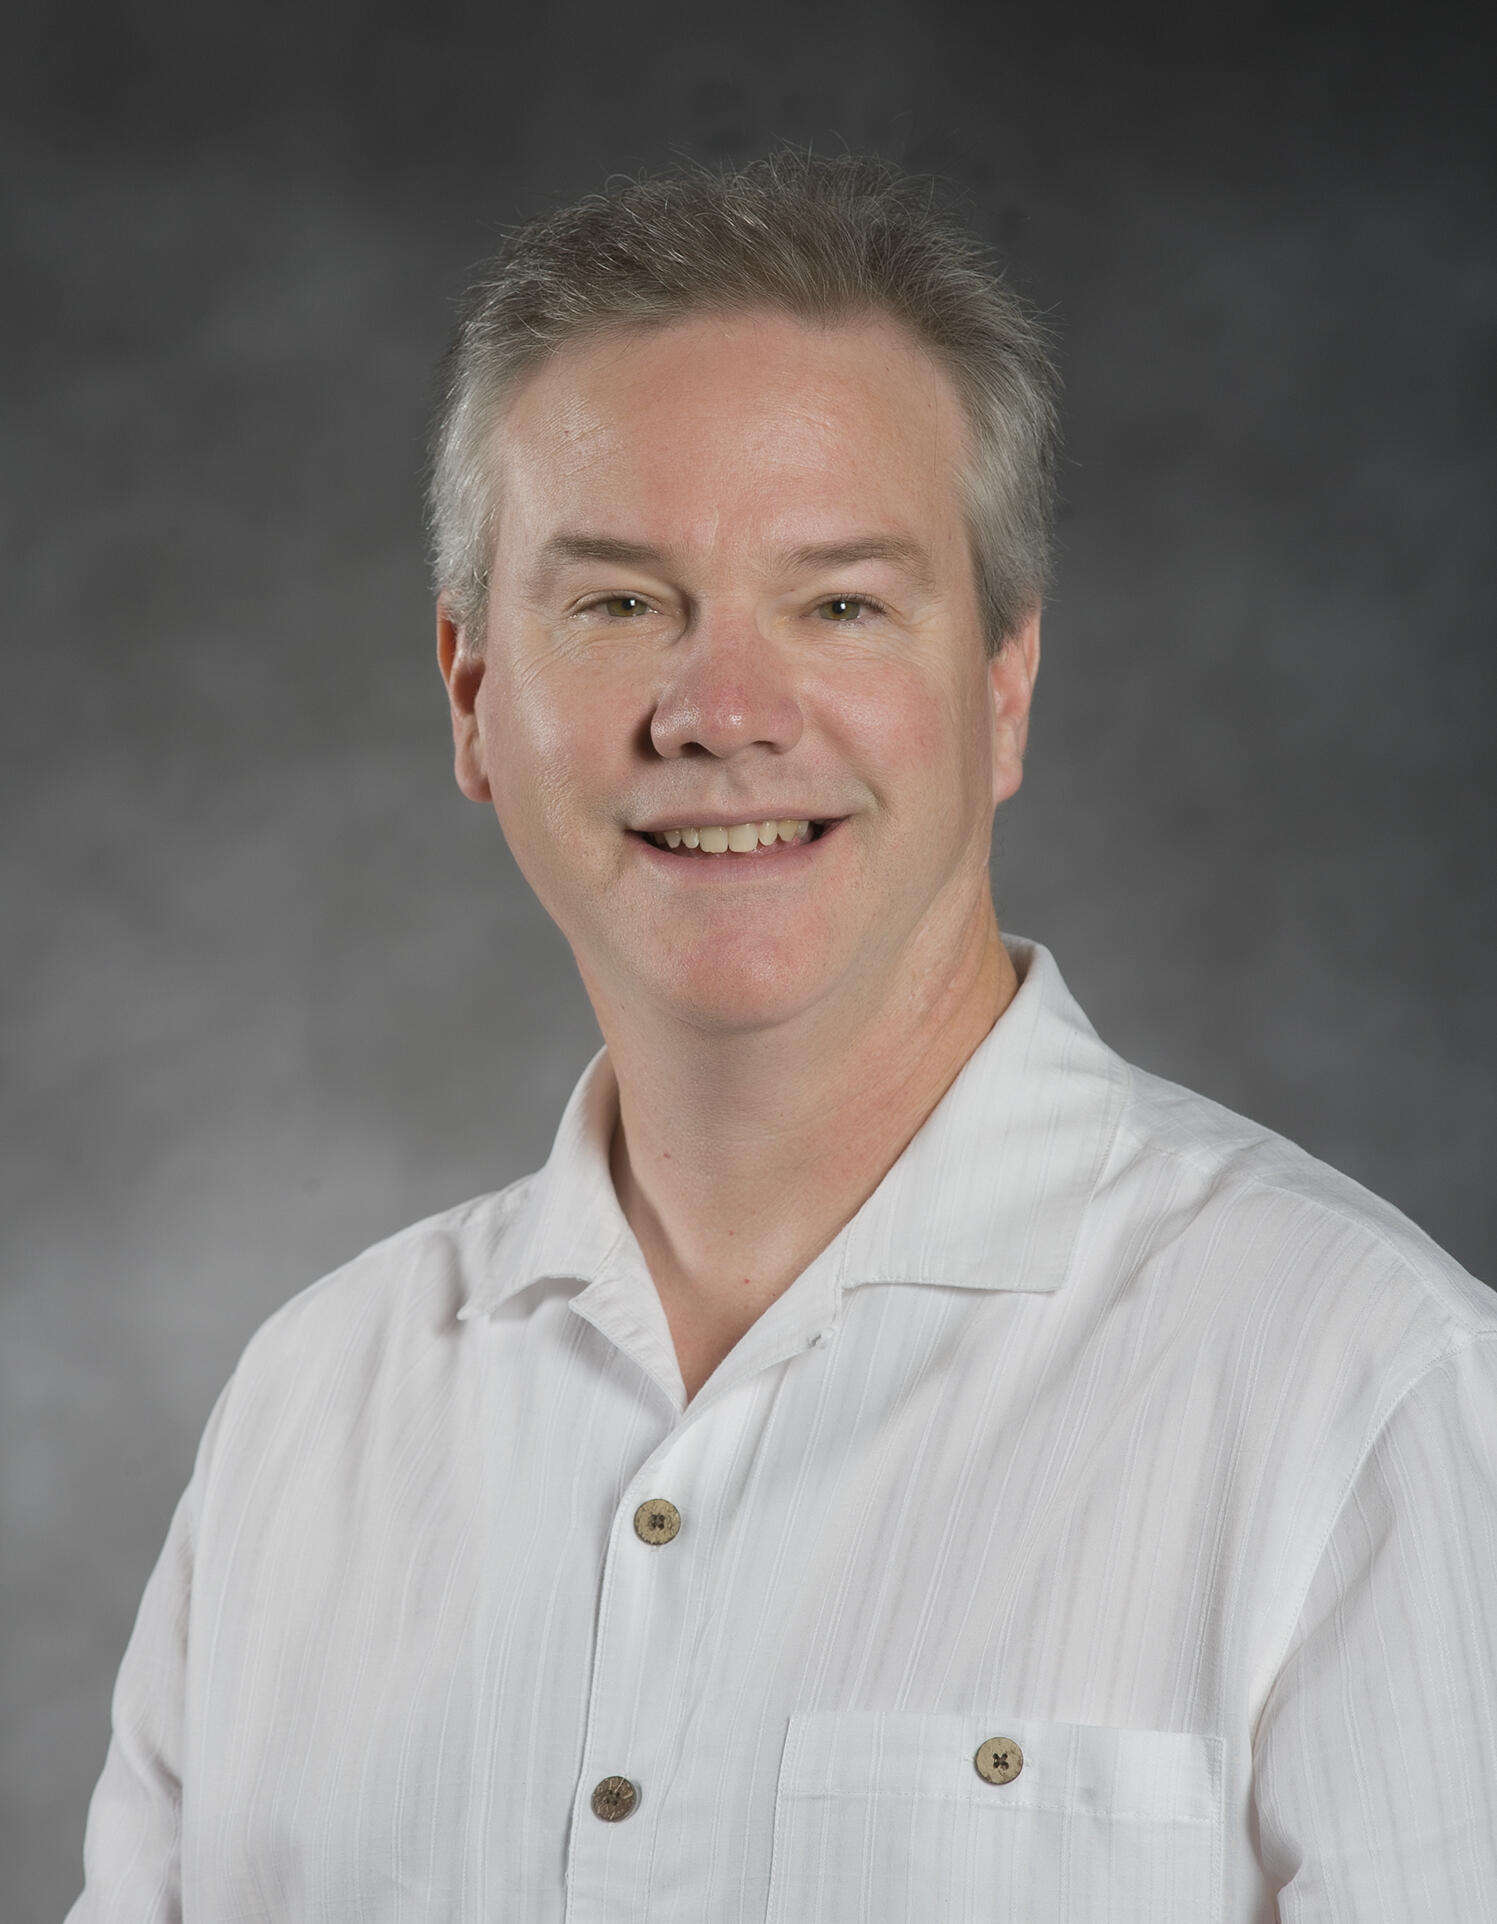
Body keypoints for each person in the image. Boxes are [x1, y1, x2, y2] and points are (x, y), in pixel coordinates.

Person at [69, 153, 1495, 1923]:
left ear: (1001, 690)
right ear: (472, 696)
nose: (723, 714)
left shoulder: (1368, 1397)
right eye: (616, 602)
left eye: (838, 604)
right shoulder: (310, 1410)